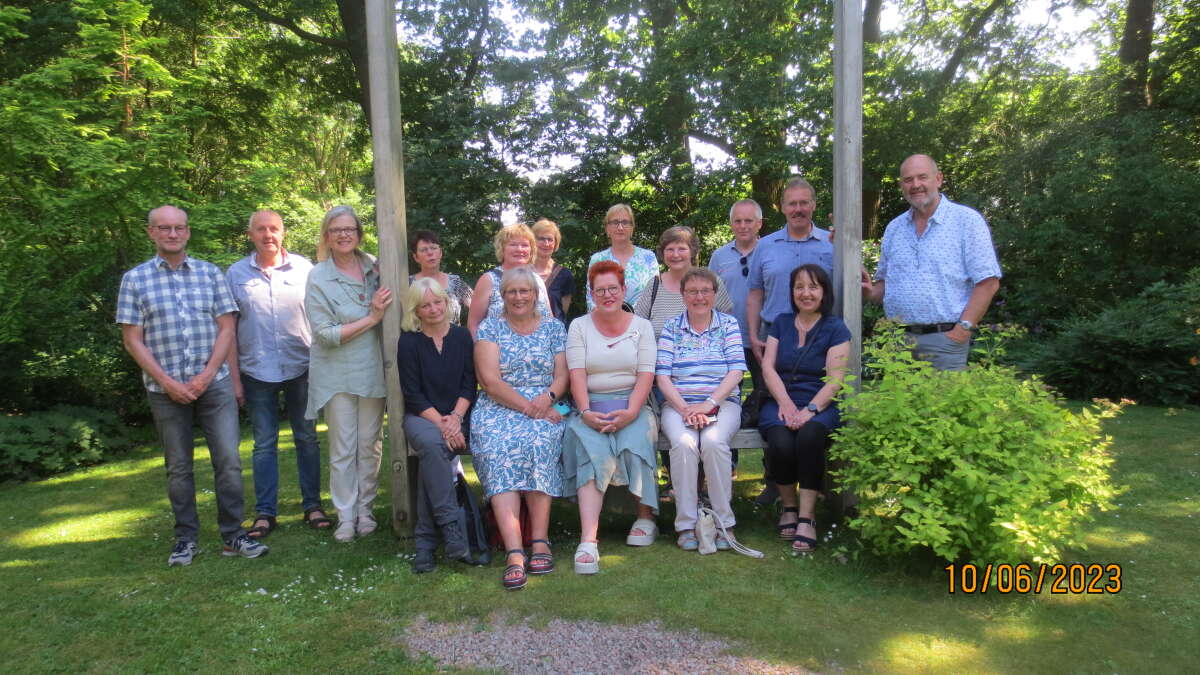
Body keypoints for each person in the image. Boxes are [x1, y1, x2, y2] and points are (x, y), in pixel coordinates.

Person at [117, 204, 267, 566]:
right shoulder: (135, 280)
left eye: (179, 228)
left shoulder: (209, 274)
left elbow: (226, 328)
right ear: (151, 232)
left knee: (229, 461)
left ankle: (234, 534)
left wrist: (205, 376)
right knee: (179, 467)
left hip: (212, 384)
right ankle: (186, 538)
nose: (172, 234)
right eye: (164, 228)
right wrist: (167, 382)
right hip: (164, 391)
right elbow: (132, 339)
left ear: (187, 232)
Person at [226, 210, 329, 538]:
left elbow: (319, 319)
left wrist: (321, 366)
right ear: (250, 234)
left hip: (301, 367)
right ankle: (265, 513)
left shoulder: (304, 269)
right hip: (256, 370)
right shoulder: (235, 274)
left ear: (283, 233)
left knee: (307, 439)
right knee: (264, 443)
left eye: (274, 229)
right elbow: (228, 329)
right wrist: (234, 377)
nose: (268, 235)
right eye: (261, 229)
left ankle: (312, 506)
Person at [470, 267, 568, 590]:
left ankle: (539, 541)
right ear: (503, 296)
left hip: (546, 405)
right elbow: (490, 382)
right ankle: (514, 550)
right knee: (498, 446)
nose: (518, 297)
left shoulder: (554, 328)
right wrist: (529, 407)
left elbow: (562, 375)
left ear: (535, 294)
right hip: (499, 407)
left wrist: (548, 399)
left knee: (540, 440)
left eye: (525, 291)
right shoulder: (490, 329)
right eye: (511, 292)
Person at [862, 154, 1002, 371]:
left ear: (938, 179)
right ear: (901, 185)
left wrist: (962, 330)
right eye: (908, 180)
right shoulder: (894, 228)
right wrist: (868, 292)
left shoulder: (966, 221)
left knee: (943, 405)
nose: (915, 185)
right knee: (898, 405)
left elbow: (988, 282)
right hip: (897, 343)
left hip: (945, 342)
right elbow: (885, 286)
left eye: (922, 177)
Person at [563, 261, 659, 575]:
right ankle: (588, 540)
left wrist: (631, 411)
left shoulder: (641, 326)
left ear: (623, 290)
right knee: (592, 450)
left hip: (633, 405)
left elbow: (646, 374)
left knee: (636, 441)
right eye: (600, 290)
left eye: (612, 289)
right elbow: (576, 374)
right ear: (591, 294)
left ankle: (645, 517)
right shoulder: (579, 326)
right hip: (591, 406)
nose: (607, 295)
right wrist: (587, 412)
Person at [305, 205, 393, 543]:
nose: (344, 235)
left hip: (373, 369)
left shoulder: (373, 267)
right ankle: (345, 515)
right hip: (336, 373)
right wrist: (371, 318)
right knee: (343, 448)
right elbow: (325, 333)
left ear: (358, 233)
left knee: (370, 445)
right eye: (336, 229)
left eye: (350, 229)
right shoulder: (318, 276)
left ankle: (365, 510)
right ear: (326, 236)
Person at [760, 264, 850, 554]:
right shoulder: (781, 322)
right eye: (800, 287)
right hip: (781, 399)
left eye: (813, 287)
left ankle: (807, 517)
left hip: (819, 402)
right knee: (781, 442)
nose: (806, 293)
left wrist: (810, 409)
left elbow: (836, 380)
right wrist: (785, 403)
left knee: (810, 436)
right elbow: (767, 367)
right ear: (792, 292)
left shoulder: (835, 327)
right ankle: (788, 506)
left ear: (824, 291)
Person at [655, 268, 745, 551]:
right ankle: (685, 524)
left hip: (722, 403)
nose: (699, 297)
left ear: (714, 295)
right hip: (678, 405)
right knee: (683, 444)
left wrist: (708, 404)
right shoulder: (671, 327)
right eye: (692, 291)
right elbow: (662, 377)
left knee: (714, 442)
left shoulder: (728, 324)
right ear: (683, 296)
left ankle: (723, 524)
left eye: (705, 291)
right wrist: (684, 409)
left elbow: (736, 372)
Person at [398, 278, 476, 573]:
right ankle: (451, 528)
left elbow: (470, 384)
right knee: (433, 444)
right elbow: (413, 393)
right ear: (416, 311)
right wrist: (443, 425)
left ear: (447, 303)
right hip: (422, 416)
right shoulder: (408, 341)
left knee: (434, 452)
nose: (433, 309)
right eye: (425, 305)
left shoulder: (462, 337)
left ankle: (425, 544)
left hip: (461, 414)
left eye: (437, 302)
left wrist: (455, 419)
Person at [746, 177, 834, 363]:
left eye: (804, 203)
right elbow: (755, 294)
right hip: (774, 335)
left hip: (822, 334)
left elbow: (854, 283)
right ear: (783, 207)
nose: (798, 209)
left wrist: (846, 241)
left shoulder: (833, 243)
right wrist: (753, 336)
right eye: (792, 204)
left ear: (813, 205)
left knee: (821, 389)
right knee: (773, 390)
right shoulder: (764, 246)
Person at [708, 199, 765, 428]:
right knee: (727, 400)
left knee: (767, 393)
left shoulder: (770, 251)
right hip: (728, 340)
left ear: (759, 223)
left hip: (764, 337)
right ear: (731, 224)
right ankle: (729, 461)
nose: (743, 225)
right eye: (737, 221)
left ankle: (770, 459)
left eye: (748, 220)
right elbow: (708, 297)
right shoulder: (719, 257)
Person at [634, 226, 734, 338]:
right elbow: (637, 326)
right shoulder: (654, 285)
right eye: (670, 249)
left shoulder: (711, 282)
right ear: (663, 253)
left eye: (681, 249)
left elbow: (728, 327)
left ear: (692, 251)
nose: (676, 255)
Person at [466, 222, 552, 337]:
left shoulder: (537, 280)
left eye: (525, 245)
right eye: (513, 244)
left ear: (531, 250)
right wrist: (480, 351)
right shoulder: (489, 280)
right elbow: (473, 324)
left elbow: (550, 320)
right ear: (502, 248)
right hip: (496, 352)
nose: (520, 249)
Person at [584, 204, 659, 310]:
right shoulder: (597, 259)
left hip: (641, 323)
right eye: (615, 222)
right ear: (607, 229)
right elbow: (591, 298)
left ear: (632, 228)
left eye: (625, 222)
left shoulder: (648, 257)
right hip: (606, 322)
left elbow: (654, 295)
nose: (620, 227)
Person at [408, 229, 473, 325]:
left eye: (434, 248)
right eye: (424, 250)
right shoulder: (408, 284)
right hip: (420, 338)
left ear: (440, 252)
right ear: (416, 257)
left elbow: (478, 306)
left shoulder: (455, 282)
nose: (430, 253)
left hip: (454, 338)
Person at [531, 218, 575, 322]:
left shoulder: (565, 275)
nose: (546, 244)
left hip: (554, 335)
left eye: (550, 239)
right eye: (541, 239)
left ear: (556, 243)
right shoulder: (521, 272)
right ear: (533, 241)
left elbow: (563, 311)